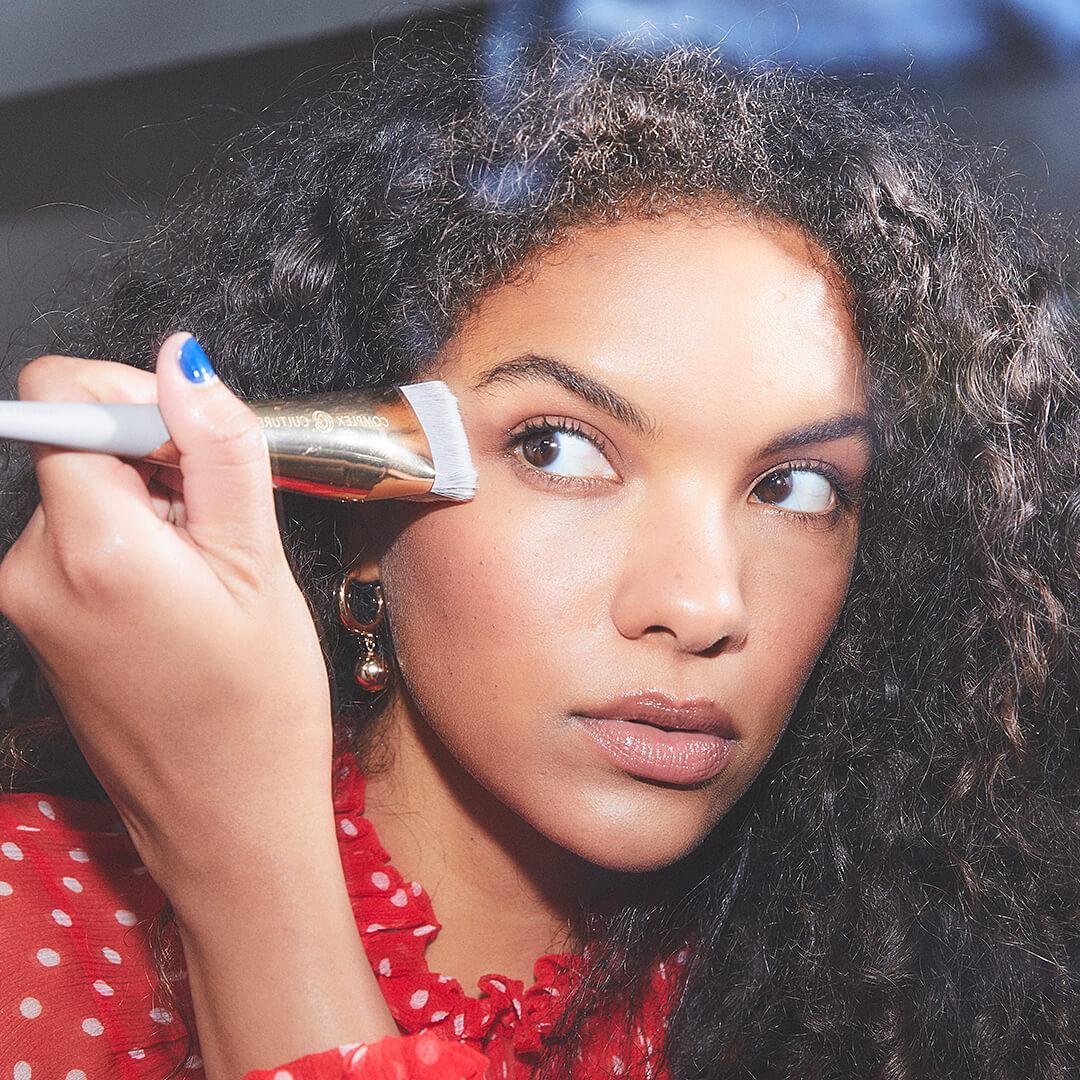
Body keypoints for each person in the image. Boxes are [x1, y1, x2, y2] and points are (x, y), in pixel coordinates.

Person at [1, 26, 1078, 1080]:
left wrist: (244, 878)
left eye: (795, 488)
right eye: (559, 449)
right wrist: (242, 860)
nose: (702, 604)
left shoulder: (876, 1002)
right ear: (360, 522)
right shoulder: (28, 940)